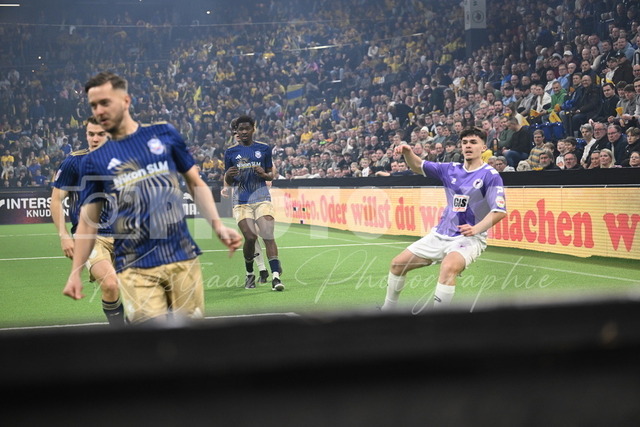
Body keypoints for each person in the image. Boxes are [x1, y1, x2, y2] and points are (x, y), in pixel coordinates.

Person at [63, 71, 242, 324]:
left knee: (191, 339)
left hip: (181, 257)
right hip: (135, 266)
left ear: (126, 101)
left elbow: (195, 183)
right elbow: (87, 220)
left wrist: (218, 226)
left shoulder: (164, 134)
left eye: (105, 103)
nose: (99, 110)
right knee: (151, 340)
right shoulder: (94, 160)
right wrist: (75, 272)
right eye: (94, 105)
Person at [381, 127, 507, 311]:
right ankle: (388, 310)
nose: (468, 146)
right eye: (464, 142)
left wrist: (476, 229)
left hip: (468, 238)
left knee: (448, 268)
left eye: (473, 142)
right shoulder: (450, 169)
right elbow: (418, 166)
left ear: (483, 147)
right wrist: (408, 152)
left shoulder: (490, 176)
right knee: (397, 264)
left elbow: (499, 211)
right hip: (440, 234)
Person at [51, 116, 125, 326]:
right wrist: (64, 236)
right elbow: (56, 200)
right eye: (90, 134)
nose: (94, 139)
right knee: (110, 284)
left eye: (100, 134)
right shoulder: (74, 161)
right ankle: (120, 332)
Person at [224, 115, 285, 291]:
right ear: (237, 131)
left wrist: (264, 174)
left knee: (267, 234)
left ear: (253, 129)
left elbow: (270, 175)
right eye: (240, 129)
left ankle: (275, 277)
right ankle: (250, 272)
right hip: (241, 201)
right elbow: (228, 179)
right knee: (250, 238)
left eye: (247, 128)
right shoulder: (230, 152)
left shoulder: (264, 149)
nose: (243, 132)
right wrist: (228, 175)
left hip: (261, 198)